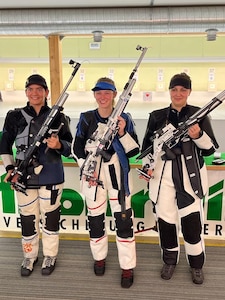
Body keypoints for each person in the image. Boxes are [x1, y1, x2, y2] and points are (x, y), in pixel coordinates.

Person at [140, 73, 218, 284]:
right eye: (175, 89)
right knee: (166, 221)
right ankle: (169, 260)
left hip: (190, 174)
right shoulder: (157, 116)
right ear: (170, 91)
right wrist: (147, 167)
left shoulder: (199, 115)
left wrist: (197, 136)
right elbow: (146, 149)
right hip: (163, 174)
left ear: (189, 92)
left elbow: (210, 149)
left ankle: (196, 265)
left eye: (183, 90)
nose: (178, 93)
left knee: (192, 223)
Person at [0, 74, 73, 276]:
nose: (35, 93)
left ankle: (50, 255)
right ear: (26, 92)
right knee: (27, 219)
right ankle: (29, 256)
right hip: (24, 177)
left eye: (39, 89)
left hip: (52, 176)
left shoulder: (59, 117)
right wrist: (9, 169)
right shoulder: (14, 116)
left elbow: (70, 147)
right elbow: (4, 146)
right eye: (30, 89)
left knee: (50, 218)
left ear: (46, 92)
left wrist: (58, 145)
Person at [72, 77, 140, 288]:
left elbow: (134, 150)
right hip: (93, 178)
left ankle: (127, 267)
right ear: (94, 95)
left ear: (114, 95)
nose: (102, 97)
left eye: (107, 93)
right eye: (99, 92)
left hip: (118, 177)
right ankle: (99, 257)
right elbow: (76, 148)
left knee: (124, 222)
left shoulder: (125, 118)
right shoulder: (85, 118)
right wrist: (86, 167)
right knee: (95, 221)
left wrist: (121, 132)